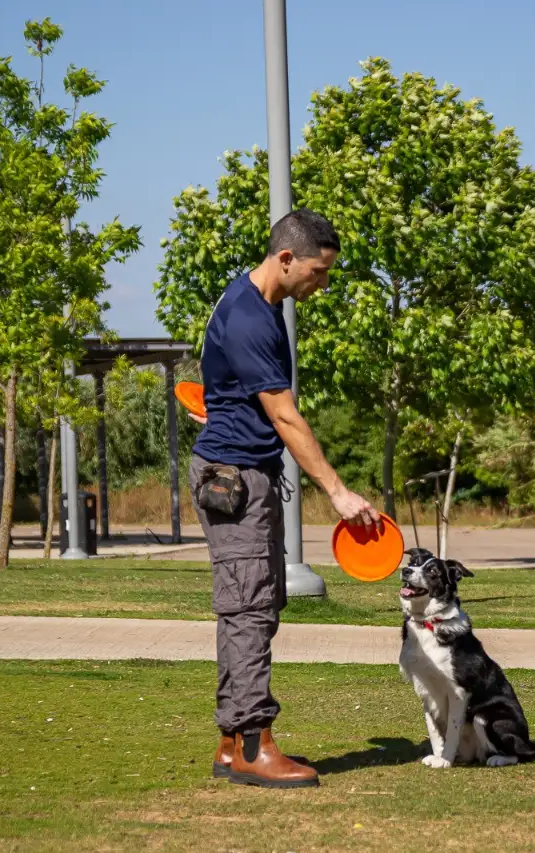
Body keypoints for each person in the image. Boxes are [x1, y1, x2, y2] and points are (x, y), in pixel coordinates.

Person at [187, 209, 379, 789]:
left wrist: (220, 408)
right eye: (318, 272)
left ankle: (229, 742)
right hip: (236, 480)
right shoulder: (251, 318)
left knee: (255, 606)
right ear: (287, 258)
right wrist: (338, 492)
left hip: (242, 471)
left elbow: (225, 385)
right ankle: (252, 745)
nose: (321, 284)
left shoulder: (251, 305)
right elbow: (286, 417)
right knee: (248, 609)